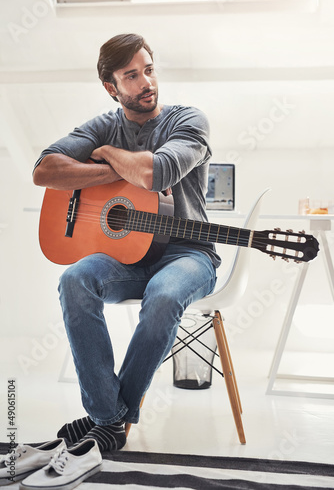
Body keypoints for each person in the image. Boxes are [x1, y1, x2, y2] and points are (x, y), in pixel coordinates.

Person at [33, 33, 220, 453]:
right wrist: (117, 173)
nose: (145, 82)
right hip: (127, 257)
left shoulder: (188, 120)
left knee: (164, 294)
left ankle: (106, 419)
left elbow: (158, 174)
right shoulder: (104, 124)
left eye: (149, 70)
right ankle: (110, 419)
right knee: (75, 280)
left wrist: (105, 155)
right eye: (131, 76)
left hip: (189, 252)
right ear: (111, 88)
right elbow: (46, 171)